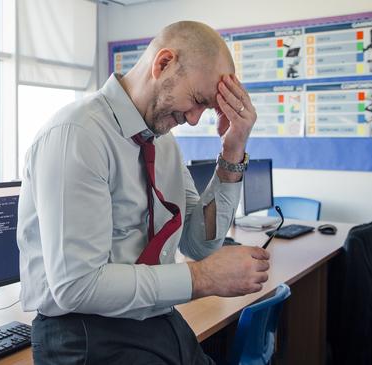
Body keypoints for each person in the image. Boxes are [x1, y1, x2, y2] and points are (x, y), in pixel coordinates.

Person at [17, 21, 270, 364]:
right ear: (163, 63)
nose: (195, 120)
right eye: (196, 100)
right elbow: (76, 286)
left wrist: (233, 151)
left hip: (155, 319)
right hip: (86, 333)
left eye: (206, 109)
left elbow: (199, 242)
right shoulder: (76, 135)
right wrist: (204, 277)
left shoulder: (162, 142)